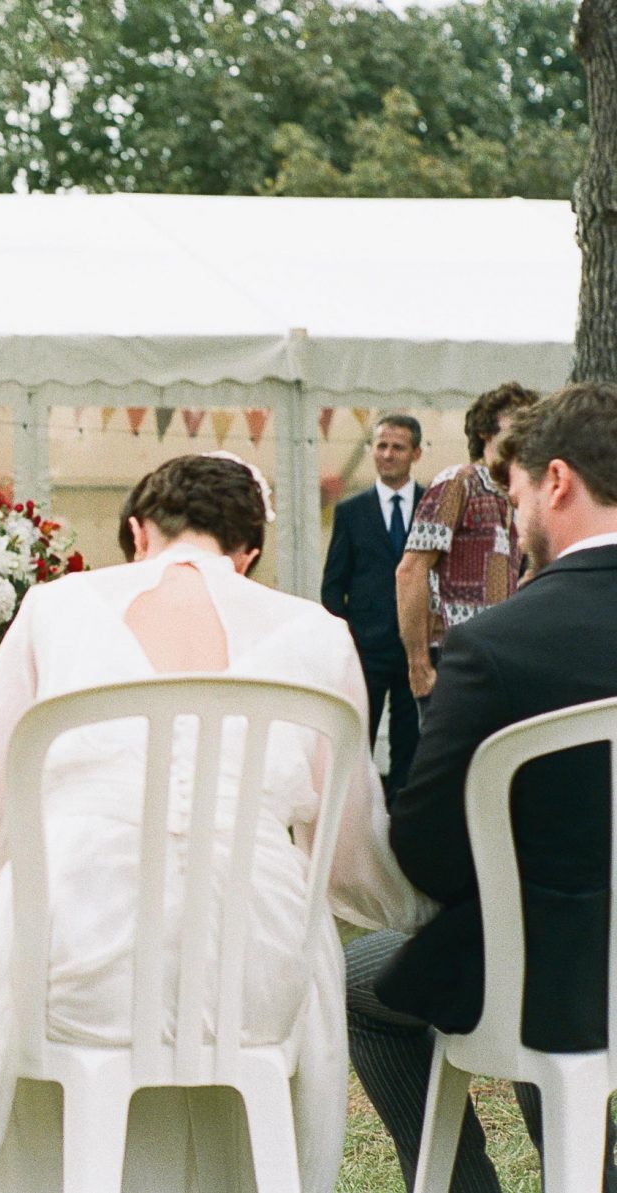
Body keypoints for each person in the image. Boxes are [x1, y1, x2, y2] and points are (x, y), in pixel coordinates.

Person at [0, 454, 432, 1192]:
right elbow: (348, 851)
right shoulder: (320, 634)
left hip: (78, 961)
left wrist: (46, 857)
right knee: (285, 937)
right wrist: (416, 906)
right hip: (257, 971)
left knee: (21, 928)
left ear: (138, 532)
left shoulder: (57, 606)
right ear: (249, 551)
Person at [346, 383, 617, 1191]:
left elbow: (426, 851)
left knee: (361, 981)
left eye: (519, 490)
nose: (514, 511)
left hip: (558, 975)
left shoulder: (500, 642)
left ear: (557, 480)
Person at [398, 383, 539, 708]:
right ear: (485, 431)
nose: (528, 430)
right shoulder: (458, 482)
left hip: (498, 655)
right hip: (454, 655)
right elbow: (410, 570)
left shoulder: (515, 495)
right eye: (518, 421)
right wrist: (419, 665)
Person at [323, 414, 426, 794]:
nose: (387, 454)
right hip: (367, 648)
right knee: (357, 735)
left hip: (418, 648)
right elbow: (333, 585)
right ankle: (355, 810)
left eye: (397, 447)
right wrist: (348, 638)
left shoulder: (433, 506)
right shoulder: (351, 511)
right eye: (381, 445)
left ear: (415, 453)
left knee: (411, 742)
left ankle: (403, 815)